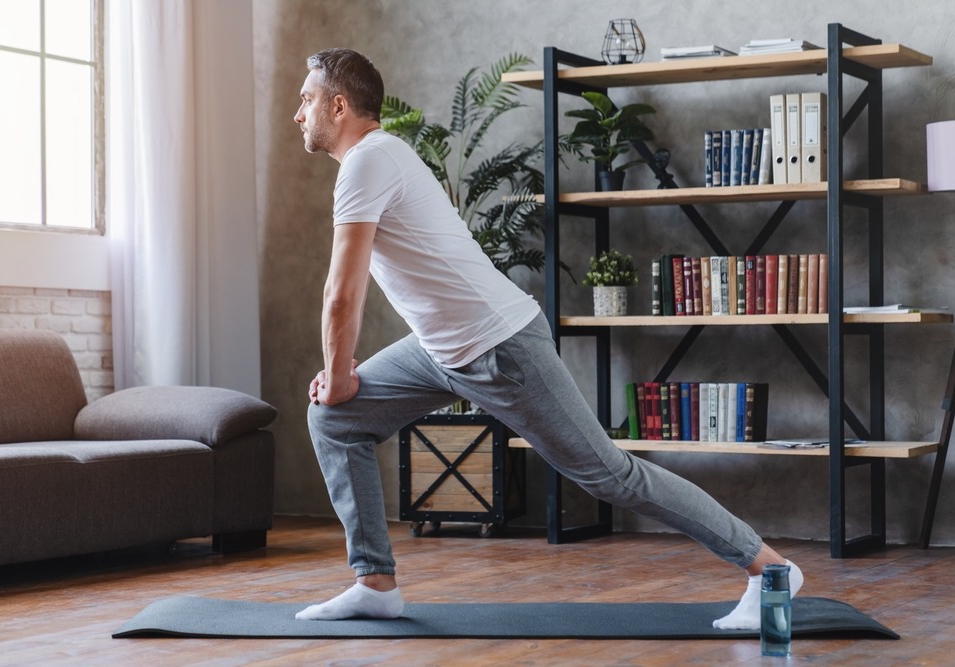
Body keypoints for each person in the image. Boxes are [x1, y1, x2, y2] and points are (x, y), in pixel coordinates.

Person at [293, 47, 803, 629]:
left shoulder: (368, 161)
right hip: (442, 349)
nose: (298, 113)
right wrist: (340, 389)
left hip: (500, 347)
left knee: (612, 474)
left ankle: (770, 571)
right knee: (337, 419)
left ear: (339, 105)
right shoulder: (373, 160)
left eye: (307, 100)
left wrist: (337, 377)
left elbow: (342, 292)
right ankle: (375, 583)